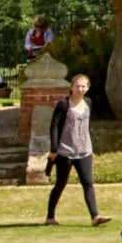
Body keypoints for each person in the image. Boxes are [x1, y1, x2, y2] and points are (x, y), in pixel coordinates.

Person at [44, 72, 105, 228]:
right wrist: (54, 149)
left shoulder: (88, 103)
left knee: (88, 183)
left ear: (88, 88)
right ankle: (50, 217)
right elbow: (54, 126)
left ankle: (95, 216)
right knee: (60, 184)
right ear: (71, 87)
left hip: (84, 150)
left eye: (83, 86)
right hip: (65, 151)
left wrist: (90, 148)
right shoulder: (63, 104)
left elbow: (86, 127)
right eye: (77, 86)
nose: (80, 89)